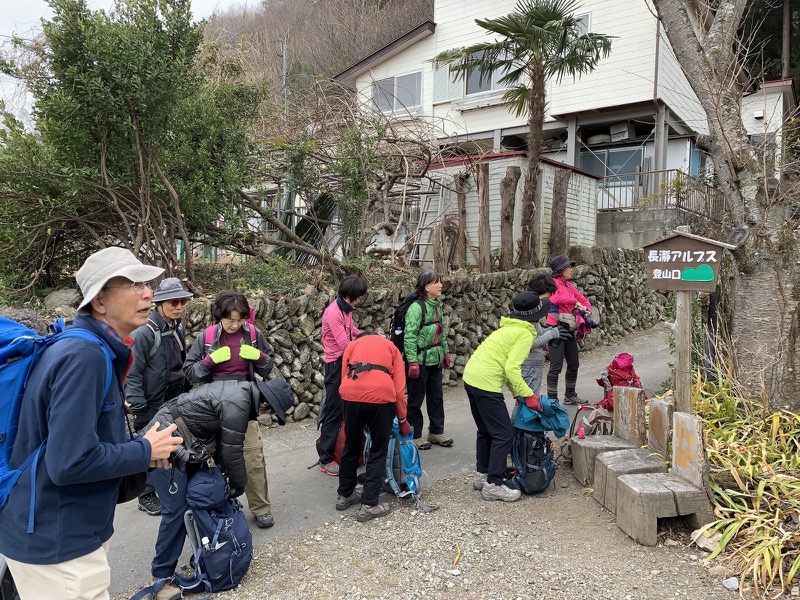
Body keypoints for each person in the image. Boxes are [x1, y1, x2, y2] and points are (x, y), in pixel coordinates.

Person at [0, 247, 183, 600]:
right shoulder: (84, 356)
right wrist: (144, 450)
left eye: (146, 283)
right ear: (99, 302)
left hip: (60, 532)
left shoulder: (86, 348)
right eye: (132, 284)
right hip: (59, 543)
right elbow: (68, 462)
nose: (148, 292)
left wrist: (140, 451)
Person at [142, 377, 292, 600]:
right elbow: (233, 454)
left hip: (185, 443)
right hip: (165, 440)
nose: (265, 416)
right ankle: (160, 579)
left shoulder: (241, 394)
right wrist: (237, 486)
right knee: (176, 509)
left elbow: (224, 446)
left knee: (200, 496)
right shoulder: (239, 403)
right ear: (265, 403)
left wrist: (227, 480)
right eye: (270, 411)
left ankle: (207, 555)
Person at [183, 291, 277, 529]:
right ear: (219, 316)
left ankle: (261, 508)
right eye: (229, 320)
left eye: (239, 319)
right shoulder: (206, 337)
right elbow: (189, 372)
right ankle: (222, 508)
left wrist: (258, 356)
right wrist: (209, 361)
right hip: (212, 407)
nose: (235, 325)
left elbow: (267, 367)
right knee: (216, 460)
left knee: (252, 457)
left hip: (245, 405)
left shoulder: (254, 334)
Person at [462, 291, 550, 502]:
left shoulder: (510, 327)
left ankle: (482, 475)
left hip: (471, 376)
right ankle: (494, 484)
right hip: (486, 382)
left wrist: (518, 393)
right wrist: (529, 395)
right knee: (503, 434)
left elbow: (507, 367)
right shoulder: (525, 334)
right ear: (536, 317)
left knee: (486, 430)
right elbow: (512, 368)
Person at [125, 278, 194, 517]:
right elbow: (133, 373)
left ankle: (166, 489)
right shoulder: (145, 332)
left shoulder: (176, 325)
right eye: (174, 302)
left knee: (168, 445)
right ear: (160, 303)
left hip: (173, 396)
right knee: (148, 446)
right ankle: (145, 495)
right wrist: (139, 406)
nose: (179, 306)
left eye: (183, 301)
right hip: (152, 401)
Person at [334, 332, 410, 522]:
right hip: (382, 397)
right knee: (378, 449)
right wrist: (402, 420)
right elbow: (400, 390)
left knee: (351, 446)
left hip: (350, 395)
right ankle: (369, 504)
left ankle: (345, 494)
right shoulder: (392, 348)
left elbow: (343, 377)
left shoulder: (352, 345)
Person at [316, 274, 367, 476]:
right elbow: (343, 345)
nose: (360, 300)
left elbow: (351, 331)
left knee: (350, 408)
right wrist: (364, 346)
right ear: (349, 295)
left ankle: (348, 451)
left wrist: (365, 335)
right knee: (334, 411)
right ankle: (326, 458)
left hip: (346, 363)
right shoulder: (334, 313)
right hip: (336, 365)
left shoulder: (346, 310)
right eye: (358, 296)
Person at [403, 269, 451, 450]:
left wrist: (445, 353)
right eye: (437, 282)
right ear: (426, 287)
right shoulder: (416, 308)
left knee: (436, 397)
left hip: (435, 360)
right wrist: (412, 361)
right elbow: (410, 336)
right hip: (419, 361)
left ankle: (436, 432)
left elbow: (441, 332)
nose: (440, 285)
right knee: (415, 399)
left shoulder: (436, 305)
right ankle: (415, 435)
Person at [545, 255, 594, 405]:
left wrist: (587, 309)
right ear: (561, 270)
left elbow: (583, 299)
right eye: (569, 267)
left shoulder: (569, 285)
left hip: (569, 327)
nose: (571, 270)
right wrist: (576, 303)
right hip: (555, 327)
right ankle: (552, 401)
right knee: (556, 366)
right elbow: (555, 300)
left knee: (574, 363)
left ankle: (570, 395)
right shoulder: (552, 284)